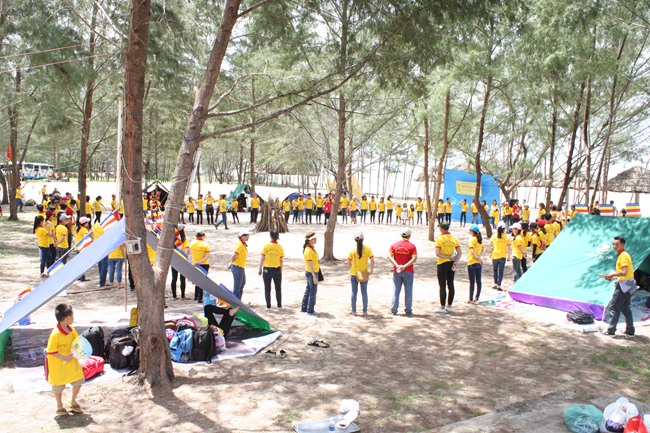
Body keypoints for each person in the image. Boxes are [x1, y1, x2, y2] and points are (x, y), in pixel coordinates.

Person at [46, 304, 85, 416]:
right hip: (58, 366)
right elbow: (51, 351)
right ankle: (59, 406)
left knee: (79, 380)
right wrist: (64, 357)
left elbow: (77, 342)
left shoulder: (71, 330)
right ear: (68, 317)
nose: (73, 318)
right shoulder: (55, 334)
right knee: (58, 386)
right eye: (72, 315)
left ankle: (73, 401)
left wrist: (80, 350)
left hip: (71, 363)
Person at [599, 236, 635, 337]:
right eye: (613, 244)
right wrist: (613, 277)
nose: (614, 246)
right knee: (625, 307)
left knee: (614, 307)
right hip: (629, 284)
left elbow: (624, 272)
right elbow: (626, 273)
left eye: (617, 244)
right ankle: (630, 331)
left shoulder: (623, 255)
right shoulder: (623, 255)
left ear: (622, 245)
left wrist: (612, 275)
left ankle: (611, 331)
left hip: (624, 286)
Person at [387, 229, 417, 315]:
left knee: (396, 291)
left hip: (397, 271)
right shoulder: (412, 246)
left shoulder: (394, 245)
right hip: (408, 271)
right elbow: (414, 259)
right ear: (409, 236)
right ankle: (408, 310)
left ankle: (393, 310)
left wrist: (397, 265)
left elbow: (389, 256)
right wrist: (404, 266)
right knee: (408, 292)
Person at [434, 222, 462, 314]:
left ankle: (442, 307)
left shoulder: (439, 239)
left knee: (442, 286)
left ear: (441, 228)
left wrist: (447, 257)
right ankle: (449, 306)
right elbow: (459, 252)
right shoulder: (454, 239)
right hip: (451, 264)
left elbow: (438, 254)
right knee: (450, 284)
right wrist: (455, 262)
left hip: (442, 264)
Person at [348, 232, 374, 315]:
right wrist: (371, 270)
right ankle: (364, 311)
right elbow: (372, 260)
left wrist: (352, 266)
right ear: (363, 239)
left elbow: (349, 261)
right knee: (364, 292)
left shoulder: (352, 251)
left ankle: (354, 311)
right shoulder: (368, 249)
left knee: (354, 292)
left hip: (354, 273)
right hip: (364, 273)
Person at [258, 230, 284, 310]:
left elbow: (262, 258)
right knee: (278, 289)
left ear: (270, 236)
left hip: (267, 269)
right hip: (276, 269)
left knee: (267, 289)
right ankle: (279, 306)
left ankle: (268, 306)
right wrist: (281, 270)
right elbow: (281, 260)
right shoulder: (280, 247)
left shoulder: (266, 246)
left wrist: (260, 268)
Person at [301, 230, 320, 316]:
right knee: (313, 291)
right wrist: (314, 276)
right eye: (314, 238)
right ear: (310, 240)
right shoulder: (309, 250)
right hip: (312, 272)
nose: (315, 239)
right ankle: (310, 310)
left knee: (308, 289)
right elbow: (310, 263)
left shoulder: (310, 248)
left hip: (311, 271)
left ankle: (304, 307)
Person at [227, 230, 250, 299]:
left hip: (241, 267)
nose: (248, 237)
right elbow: (235, 255)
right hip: (237, 267)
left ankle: (238, 299)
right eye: (247, 235)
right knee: (237, 286)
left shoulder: (243, 244)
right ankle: (235, 300)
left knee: (242, 283)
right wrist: (231, 262)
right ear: (242, 236)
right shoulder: (240, 245)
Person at [489, 222, 511, 291]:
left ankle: (495, 283)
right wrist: (509, 256)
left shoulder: (494, 236)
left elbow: (490, 244)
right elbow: (509, 247)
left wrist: (490, 252)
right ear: (504, 229)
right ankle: (499, 285)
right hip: (502, 256)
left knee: (495, 270)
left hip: (495, 255)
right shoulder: (506, 237)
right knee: (501, 271)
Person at [191, 230, 210, 302]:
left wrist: (196, 262)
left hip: (194, 264)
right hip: (204, 264)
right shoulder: (205, 244)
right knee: (202, 281)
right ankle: (200, 297)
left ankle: (196, 295)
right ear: (203, 236)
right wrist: (200, 261)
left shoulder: (192, 243)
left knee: (197, 280)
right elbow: (207, 256)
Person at [171, 224, 189, 300]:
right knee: (182, 279)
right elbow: (187, 251)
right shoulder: (184, 240)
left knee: (174, 278)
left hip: (174, 260)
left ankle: (174, 296)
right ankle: (183, 295)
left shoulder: (173, 240)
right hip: (182, 260)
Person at [467, 225, 484, 304]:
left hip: (472, 262)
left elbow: (472, 251)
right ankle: (477, 298)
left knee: (472, 282)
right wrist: (479, 257)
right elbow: (483, 249)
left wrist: (478, 258)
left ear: (472, 232)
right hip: (478, 263)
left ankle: (470, 298)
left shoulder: (472, 239)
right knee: (478, 281)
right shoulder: (480, 240)